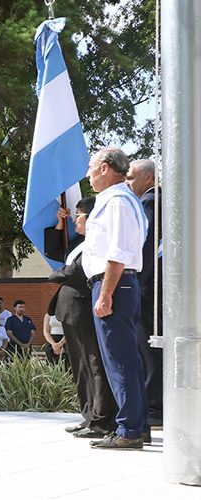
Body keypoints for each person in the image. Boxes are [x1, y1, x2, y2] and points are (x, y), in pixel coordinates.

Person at [81, 147, 149, 450]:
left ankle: (129, 430)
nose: (88, 174)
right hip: (118, 284)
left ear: (105, 168)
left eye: (91, 167)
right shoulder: (118, 200)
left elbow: (118, 252)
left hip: (114, 285)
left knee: (119, 361)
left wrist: (106, 293)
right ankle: (137, 426)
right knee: (126, 360)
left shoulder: (118, 202)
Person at [50, 196, 119, 439]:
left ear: (92, 218)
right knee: (80, 368)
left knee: (94, 364)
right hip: (70, 311)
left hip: (84, 309)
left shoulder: (98, 242)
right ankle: (89, 415)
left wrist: (55, 275)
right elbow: (55, 251)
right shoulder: (80, 242)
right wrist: (59, 224)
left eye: (78, 216)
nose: (74, 220)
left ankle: (102, 418)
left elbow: (77, 271)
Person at [127, 158, 163, 425]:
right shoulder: (161, 200)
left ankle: (154, 408)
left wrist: (137, 283)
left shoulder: (150, 202)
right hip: (157, 288)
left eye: (131, 177)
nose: (127, 182)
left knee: (148, 348)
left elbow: (146, 248)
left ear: (148, 178)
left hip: (149, 290)